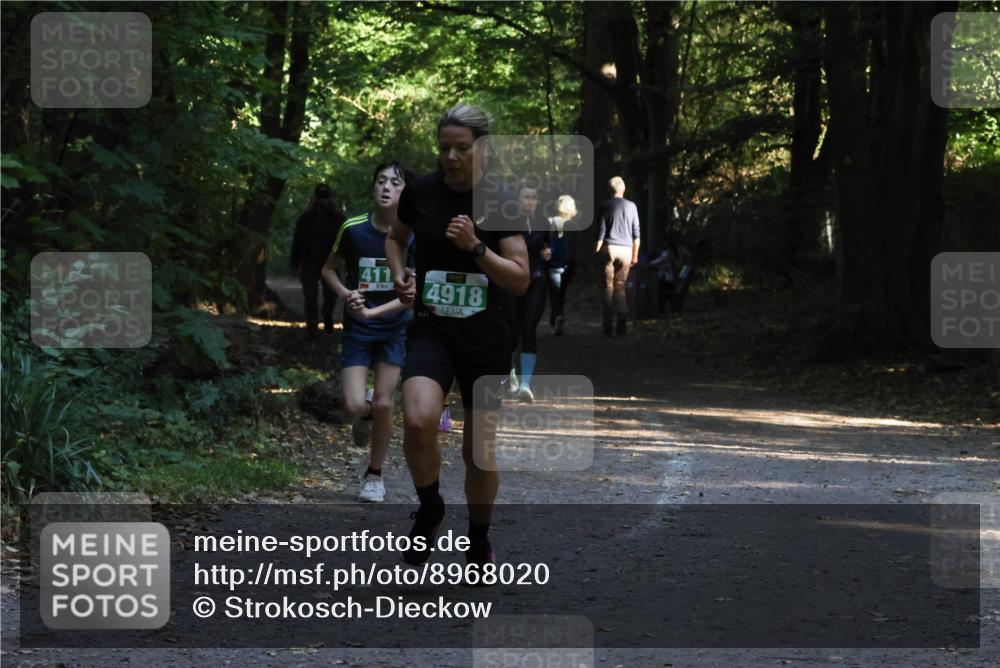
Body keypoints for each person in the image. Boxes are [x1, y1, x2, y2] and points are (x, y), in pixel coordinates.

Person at [385, 103, 529, 572]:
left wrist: (476, 248)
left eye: (461, 149)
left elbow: (520, 278)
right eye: (444, 147)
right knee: (419, 418)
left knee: (478, 451)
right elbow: (394, 236)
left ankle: (479, 540)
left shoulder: (500, 201)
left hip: (487, 336)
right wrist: (401, 273)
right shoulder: (421, 192)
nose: (450, 157)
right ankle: (430, 508)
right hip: (433, 327)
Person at [321, 163, 411, 503]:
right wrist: (347, 294)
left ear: (405, 192)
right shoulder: (353, 229)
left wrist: (375, 310)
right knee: (354, 403)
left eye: (395, 182)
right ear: (372, 188)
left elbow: (409, 298)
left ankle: (374, 474)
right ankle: (365, 414)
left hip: (394, 329)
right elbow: (328, 270)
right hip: (358, 329)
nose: (386, 187)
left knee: (386, 403)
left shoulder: (412, 236)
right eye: (381, 181)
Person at [504, 182, 550, 403]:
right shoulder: (508, 221)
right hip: (512, 279)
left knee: (529, 328)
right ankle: (511, 375)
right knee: (511, 330)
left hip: (536, 279)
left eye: (533, 197)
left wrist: (546, 252)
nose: (530, 201)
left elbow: (545, 246)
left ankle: (525, 385)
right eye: (526, 197)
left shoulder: (543, 222)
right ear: (518, 200)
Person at [291, 183, 346, 338]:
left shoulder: (338, 219)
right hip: (309, 263)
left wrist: (348, 261)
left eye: (325, 197)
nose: (323, 201)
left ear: (329, 198)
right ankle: (312, 328)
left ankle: (327, 317)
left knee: (332, 295)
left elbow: (347, 241)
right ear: (315, 198)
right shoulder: (305, 219)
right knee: (310, 296)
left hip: (331, 263)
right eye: (321, 197)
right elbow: (297, 242)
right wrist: (294, 264)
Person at [595, 176, 641, 336]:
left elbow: (601, 231)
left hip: (609, 248)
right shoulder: (632, 206)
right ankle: (622, 316)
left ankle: (607, 327)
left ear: (610, 190)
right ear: (624, 189)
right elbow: (636, 234)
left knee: (608, 287)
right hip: (627, 250)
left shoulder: (605, 206)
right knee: (620, 286)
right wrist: (635, 255)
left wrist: (597, 250)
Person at [546, 195, 579, 336]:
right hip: (569, 262)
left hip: (552, 261)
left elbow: (544, 241)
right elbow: (576, 247)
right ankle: (557, 317)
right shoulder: (575, 225)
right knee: (562, 291)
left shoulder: (549, 222)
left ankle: (557, 316)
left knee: (554, 292)